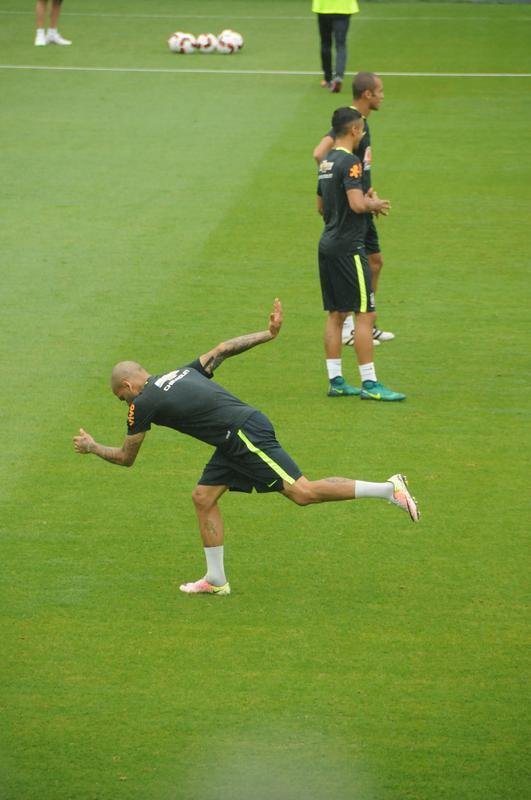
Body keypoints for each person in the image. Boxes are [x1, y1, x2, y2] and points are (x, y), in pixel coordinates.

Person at [73, 299, 419, 596]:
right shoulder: (180, 372)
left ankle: (389, 490)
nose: (126, 404)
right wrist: (267, 334)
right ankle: (215, 579)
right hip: (234, 437)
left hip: (242, 435)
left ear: (129, 384)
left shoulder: (142, 403)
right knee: (203, 497)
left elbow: (125, 458)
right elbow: (223, 349)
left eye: (123, 397)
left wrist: (91, 447)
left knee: (303, 492)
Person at [317, 107, 405, 401]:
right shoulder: (351, 163)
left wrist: (348, 210)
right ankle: (370, 384)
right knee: (365, 314)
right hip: (349, 248)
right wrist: (373, 204)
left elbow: (321, 206)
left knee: (336, 314)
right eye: (362, 130)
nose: (363, 134)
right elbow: (356, 205)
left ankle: (336, 381)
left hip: (327, 243)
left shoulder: (327, 162)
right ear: (354, 130)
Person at [313, 71, 393, 347]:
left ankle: (365, 323)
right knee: (365, 261)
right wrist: (338, 186)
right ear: (367, 94)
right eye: (380, 91)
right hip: (353, 207)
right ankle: (351, 324)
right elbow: (319, 153)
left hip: (360, 198)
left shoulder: (362, 122)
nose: (383, 95)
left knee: (376, 261)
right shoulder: (349, 120)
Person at [312, 0, 359, 93]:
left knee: (325, 43)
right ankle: (338, 77)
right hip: (344, 7)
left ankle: (327, 78)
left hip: (323, 7)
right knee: (341, 44)